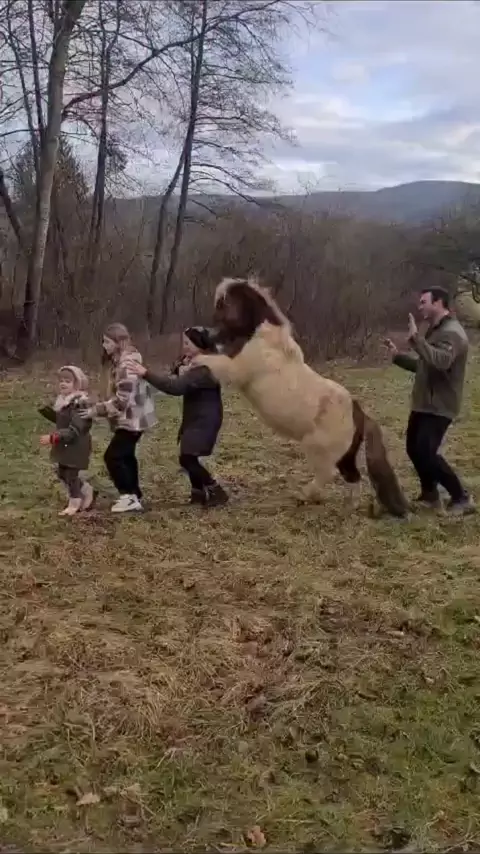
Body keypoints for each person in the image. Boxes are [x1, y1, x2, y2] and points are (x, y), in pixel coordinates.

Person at [385, 287, 473, 515]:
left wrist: (416, 339)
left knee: (427, 452)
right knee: (414, 449)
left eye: (424, 302)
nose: (420, 306)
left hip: (440, 405)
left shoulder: (452, 333)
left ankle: (461, 497)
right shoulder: (437, 330)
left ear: (439, 303)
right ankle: (430, 495)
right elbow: (425, 365)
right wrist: (398, 357)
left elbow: (441, 361)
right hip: (424, 402)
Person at [124, 326, 228, 506]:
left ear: (199, 345)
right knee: (189, 456)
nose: (184, 346)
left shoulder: (204, 369)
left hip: (205, 419)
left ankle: (215, 490)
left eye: (188, 343)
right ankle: (198, 494)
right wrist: (180, 366)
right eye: (184, 342)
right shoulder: (193, 365)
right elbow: (175, 377)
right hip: (195, 417)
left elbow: (175, 387)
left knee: (187, 457)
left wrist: (146, 373)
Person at [81, 323, 156, 514]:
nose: (104, 345)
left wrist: (95, 411)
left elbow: (122, 401)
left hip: (132, 419)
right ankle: (134, 495)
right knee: (126, 456)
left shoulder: (126, 365)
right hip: (132, 418)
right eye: (103, 341)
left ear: (118, 342)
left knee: (113, 456)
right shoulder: (119, 362)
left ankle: (128, 496)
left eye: (107, 342)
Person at [39, 365, 94, 516]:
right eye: (61, 381)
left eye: (68, 381)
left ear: (77, 384)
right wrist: (46, 411)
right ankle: (85, 489)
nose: (63, 384)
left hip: (76, 445)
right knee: (62, 472)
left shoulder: (80, 403)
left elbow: (75, 429)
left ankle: (74, 502)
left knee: (71, 474)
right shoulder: (64, 401)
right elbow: (62, 421)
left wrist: (53, 437)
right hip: (65, 444)